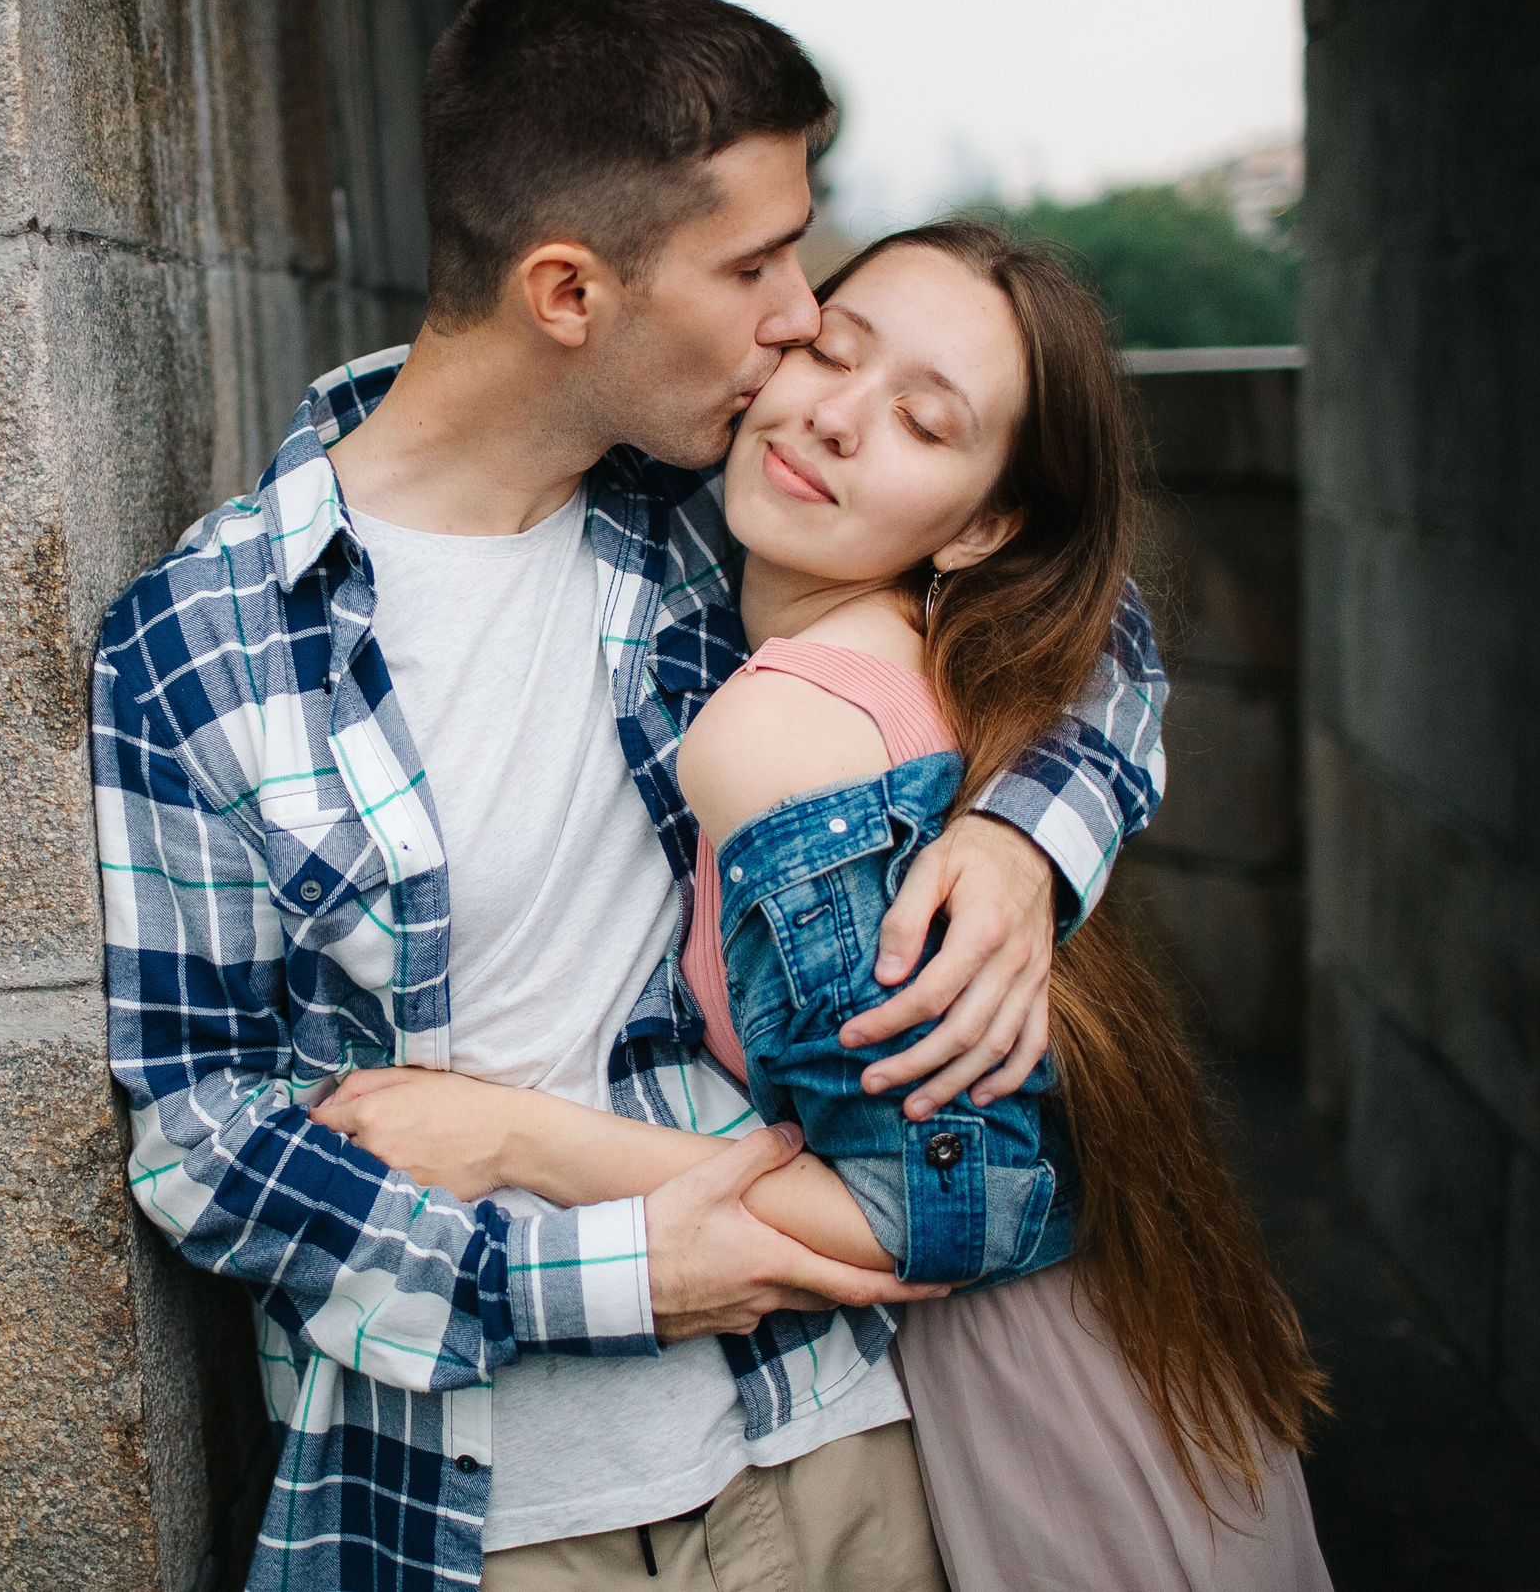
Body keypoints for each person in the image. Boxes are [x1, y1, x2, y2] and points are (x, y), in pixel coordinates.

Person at [95, 0, 1166, 1592]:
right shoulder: (205, 643)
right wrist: (605, 1270)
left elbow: (1086, 614)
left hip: (823, 1444)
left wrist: (1026, 843)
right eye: (756, 264)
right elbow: (199, 1131)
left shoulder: (714, 516)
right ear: (568, 293)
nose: (800, 317)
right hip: (474, 1512)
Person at [319, 222, 1333, 1590]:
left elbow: (936, 1214)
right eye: (831, 351)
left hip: (1024, 1394)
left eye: (924, 422)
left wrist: (516, 1138)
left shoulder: (784, 727)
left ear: (983, 525)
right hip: (1118, 1347)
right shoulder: (953, 649)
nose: (839, 419)